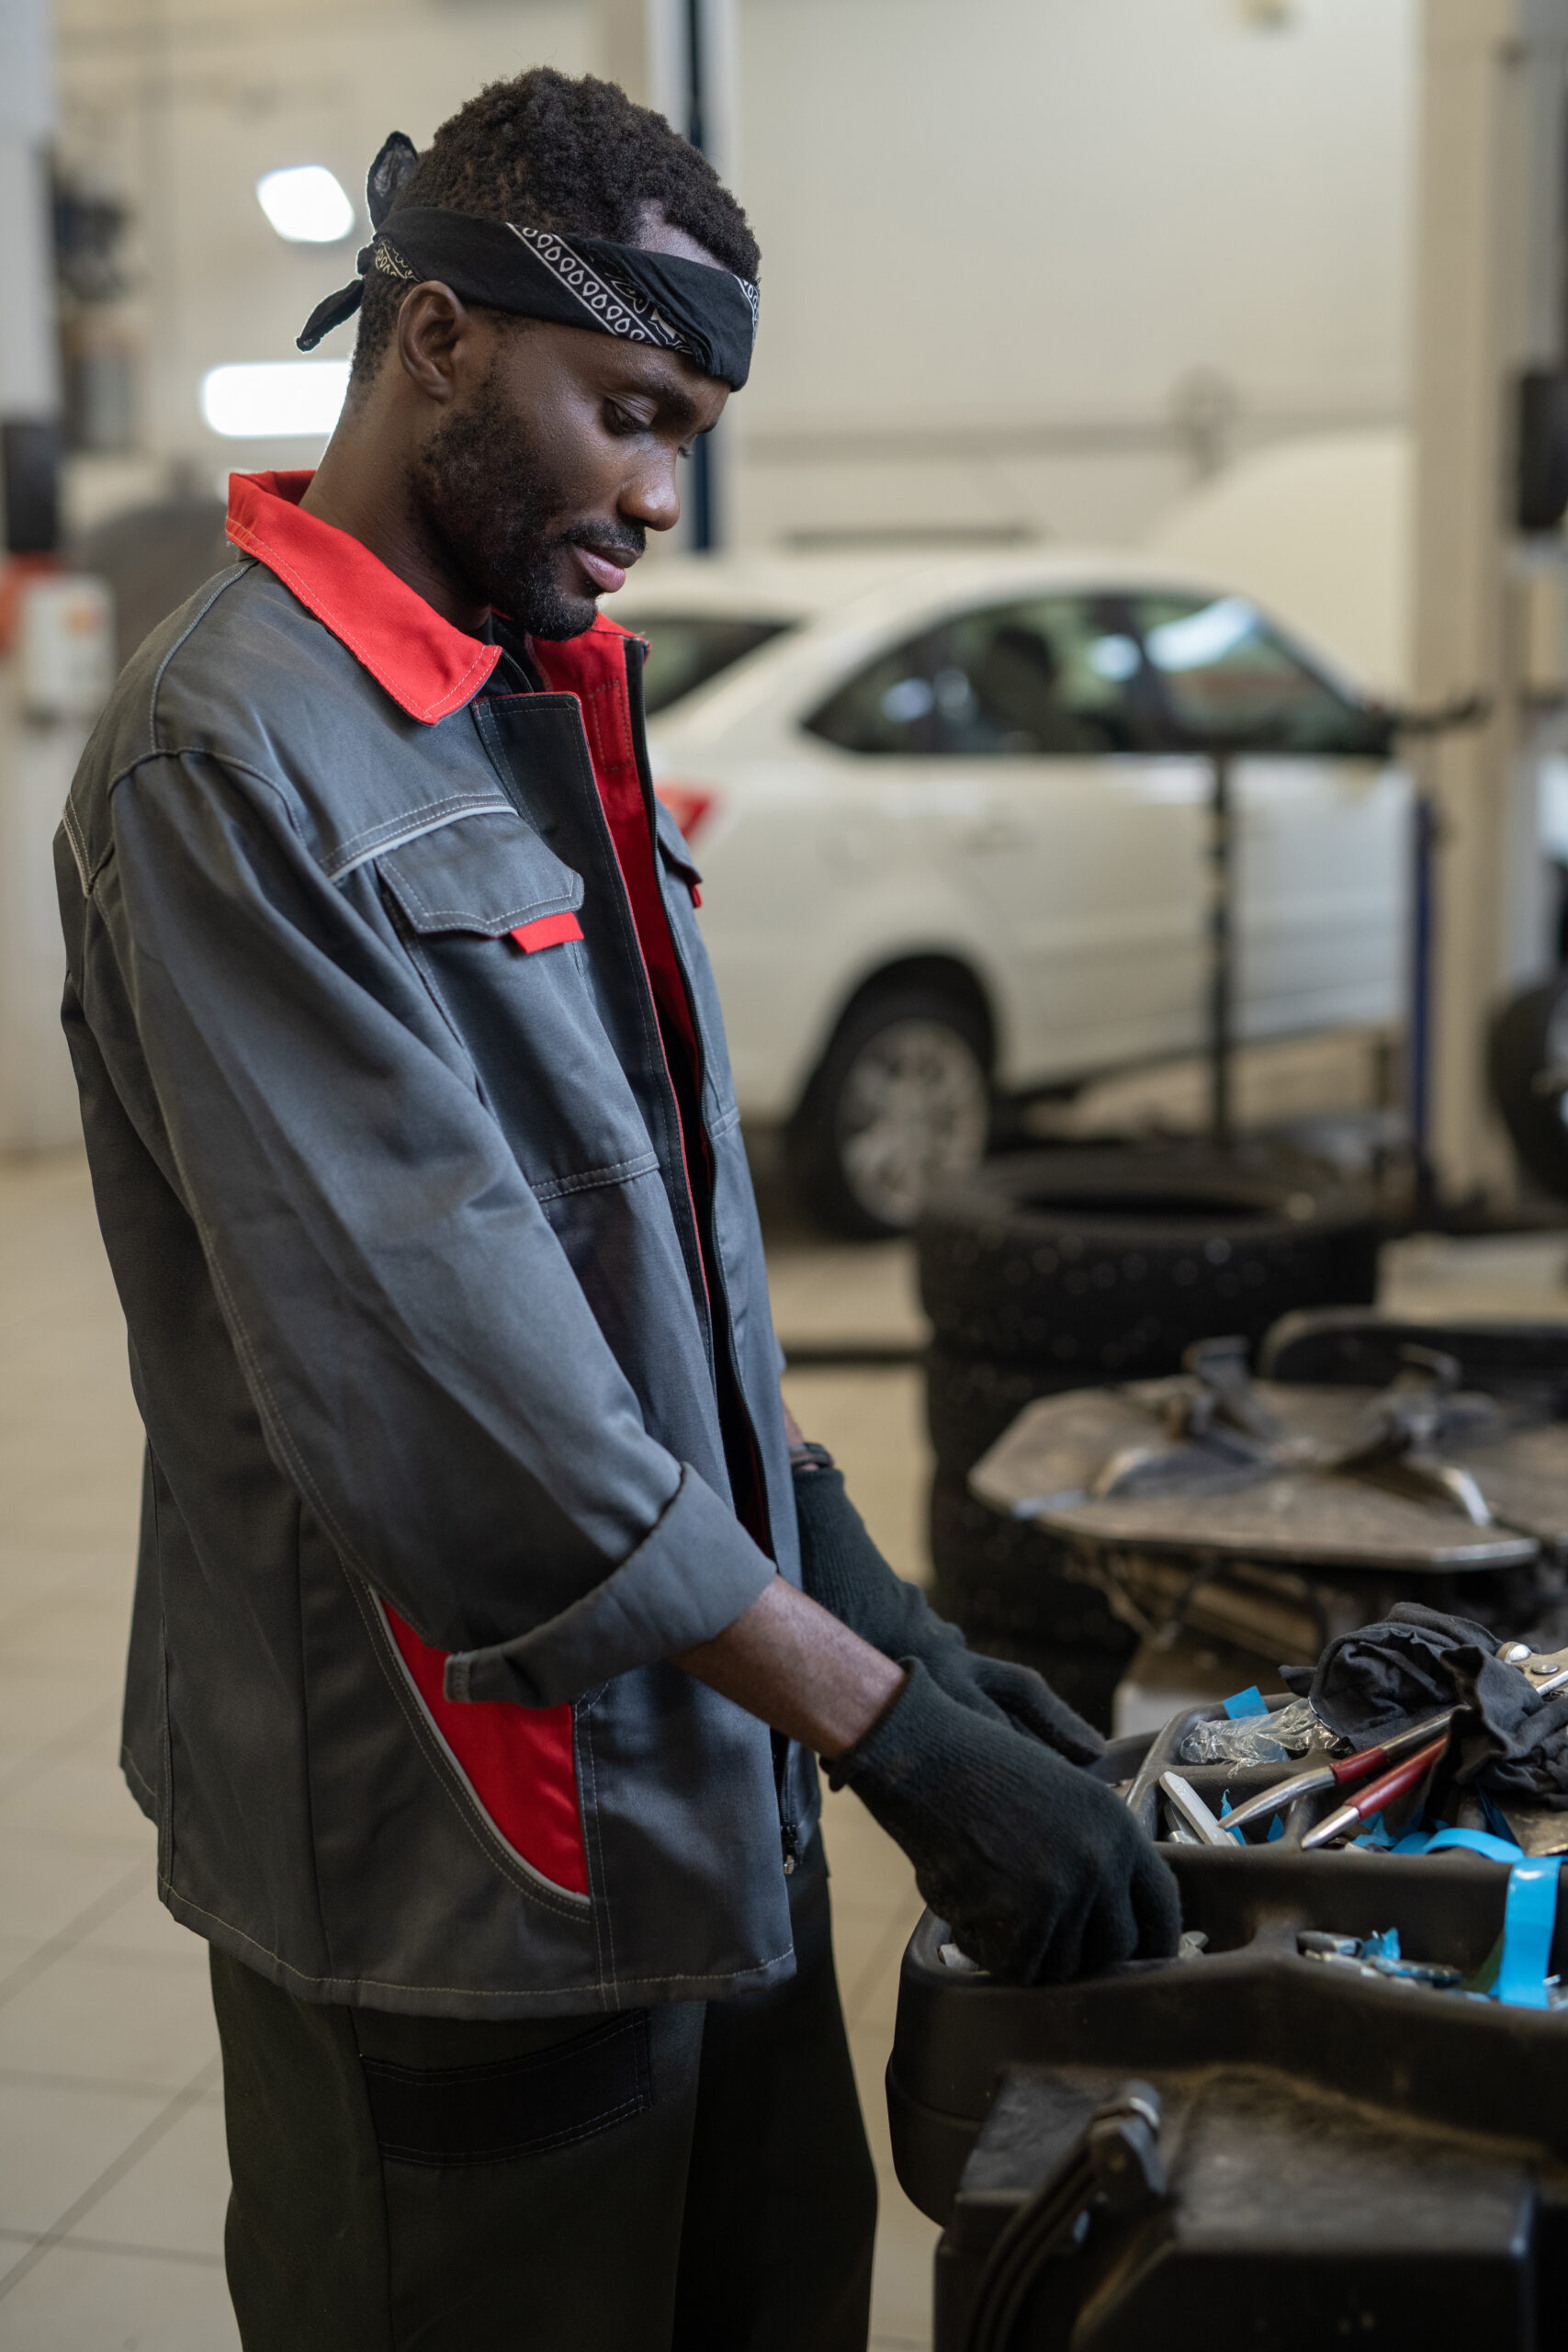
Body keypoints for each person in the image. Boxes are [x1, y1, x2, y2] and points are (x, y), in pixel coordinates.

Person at [55, 67, 1179, 2352]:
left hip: (706, 1804)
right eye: (628, 412)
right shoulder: (229, 755)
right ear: (438, 338)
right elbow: (463, 1398)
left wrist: (886, 1609)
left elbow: (647, 1273)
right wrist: (898, 1731)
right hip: (452, 1855)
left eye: (689, 431)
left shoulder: (516, 702)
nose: (661, 493)